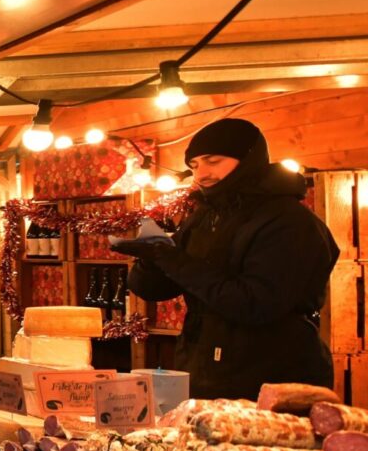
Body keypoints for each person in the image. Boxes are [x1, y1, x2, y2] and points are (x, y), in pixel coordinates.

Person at [123, 118, 338, 399]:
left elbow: (255, 304)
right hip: (204, 368)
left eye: (213, 161)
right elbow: (154, 288)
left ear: (248, 159)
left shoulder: (290, 222)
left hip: (273, 377)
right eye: (195, 165)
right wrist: (150, 257)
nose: (202, 174)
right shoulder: (206, 215)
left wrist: (172, 259)